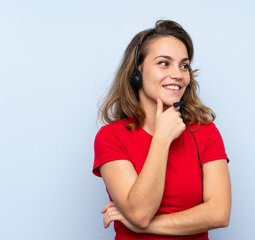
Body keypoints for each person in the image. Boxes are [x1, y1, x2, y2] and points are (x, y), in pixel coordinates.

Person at [92, 20, 231, 240]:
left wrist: (142, 226)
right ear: (138, 70)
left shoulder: (205, 132)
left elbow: (219, 214)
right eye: (164, 63)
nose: (178, 74)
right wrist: (161, 139)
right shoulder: (111, 137)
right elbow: (140, 213)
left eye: (184, 65)